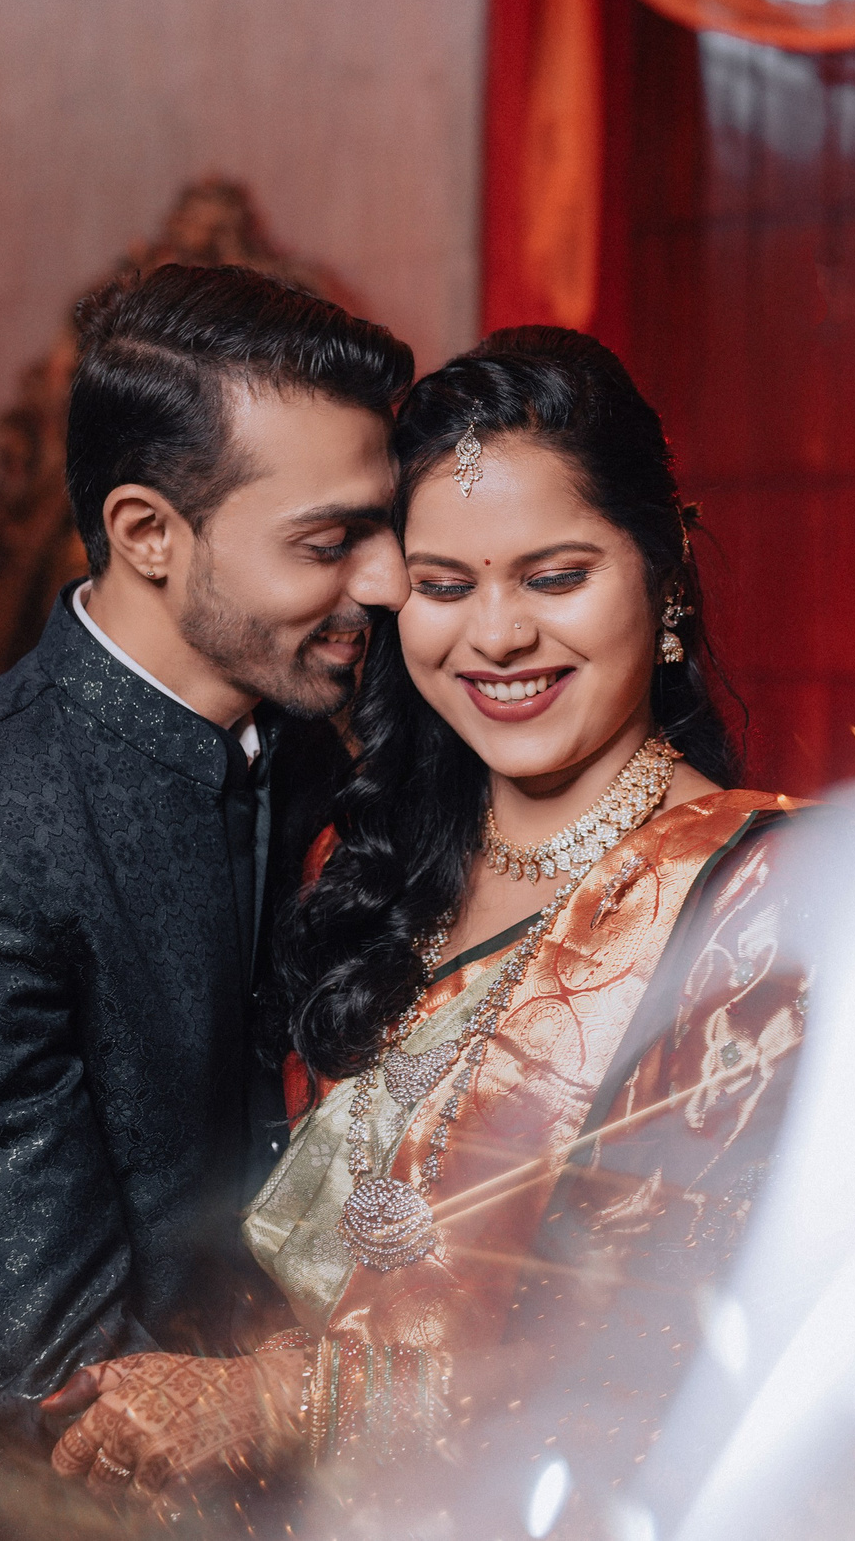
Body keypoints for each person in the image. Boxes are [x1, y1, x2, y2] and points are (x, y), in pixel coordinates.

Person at [41, 328, 809, 1521]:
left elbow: (687, 1336)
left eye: (555, 577)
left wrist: (272, 1404)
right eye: (443, 587)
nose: (494, 637)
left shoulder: (758, 902)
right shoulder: (365, 865)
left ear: (662, 577)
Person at [0, 265, 411, 1538]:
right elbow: (63, 1381)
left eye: (385, 527)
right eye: (328, 540)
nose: (387, 582)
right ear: (147, 533)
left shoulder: (313, 759)